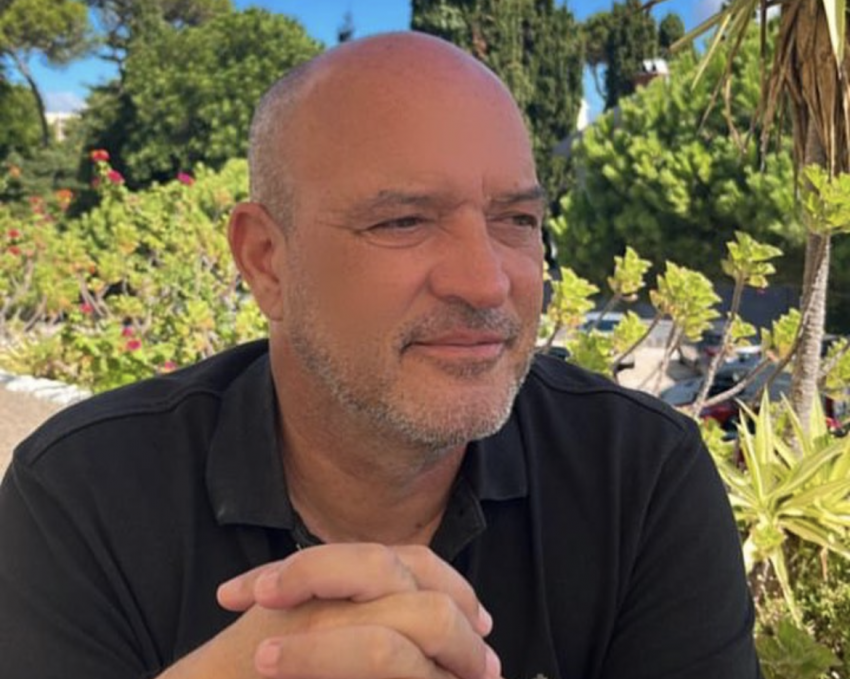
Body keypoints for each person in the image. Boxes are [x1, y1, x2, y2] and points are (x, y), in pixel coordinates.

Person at [0, 32, 761, 679]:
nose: (486, 281)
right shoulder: (84, 495)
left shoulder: (637, 478)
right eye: (403, 221)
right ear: (267, 261)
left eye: (517, 219)